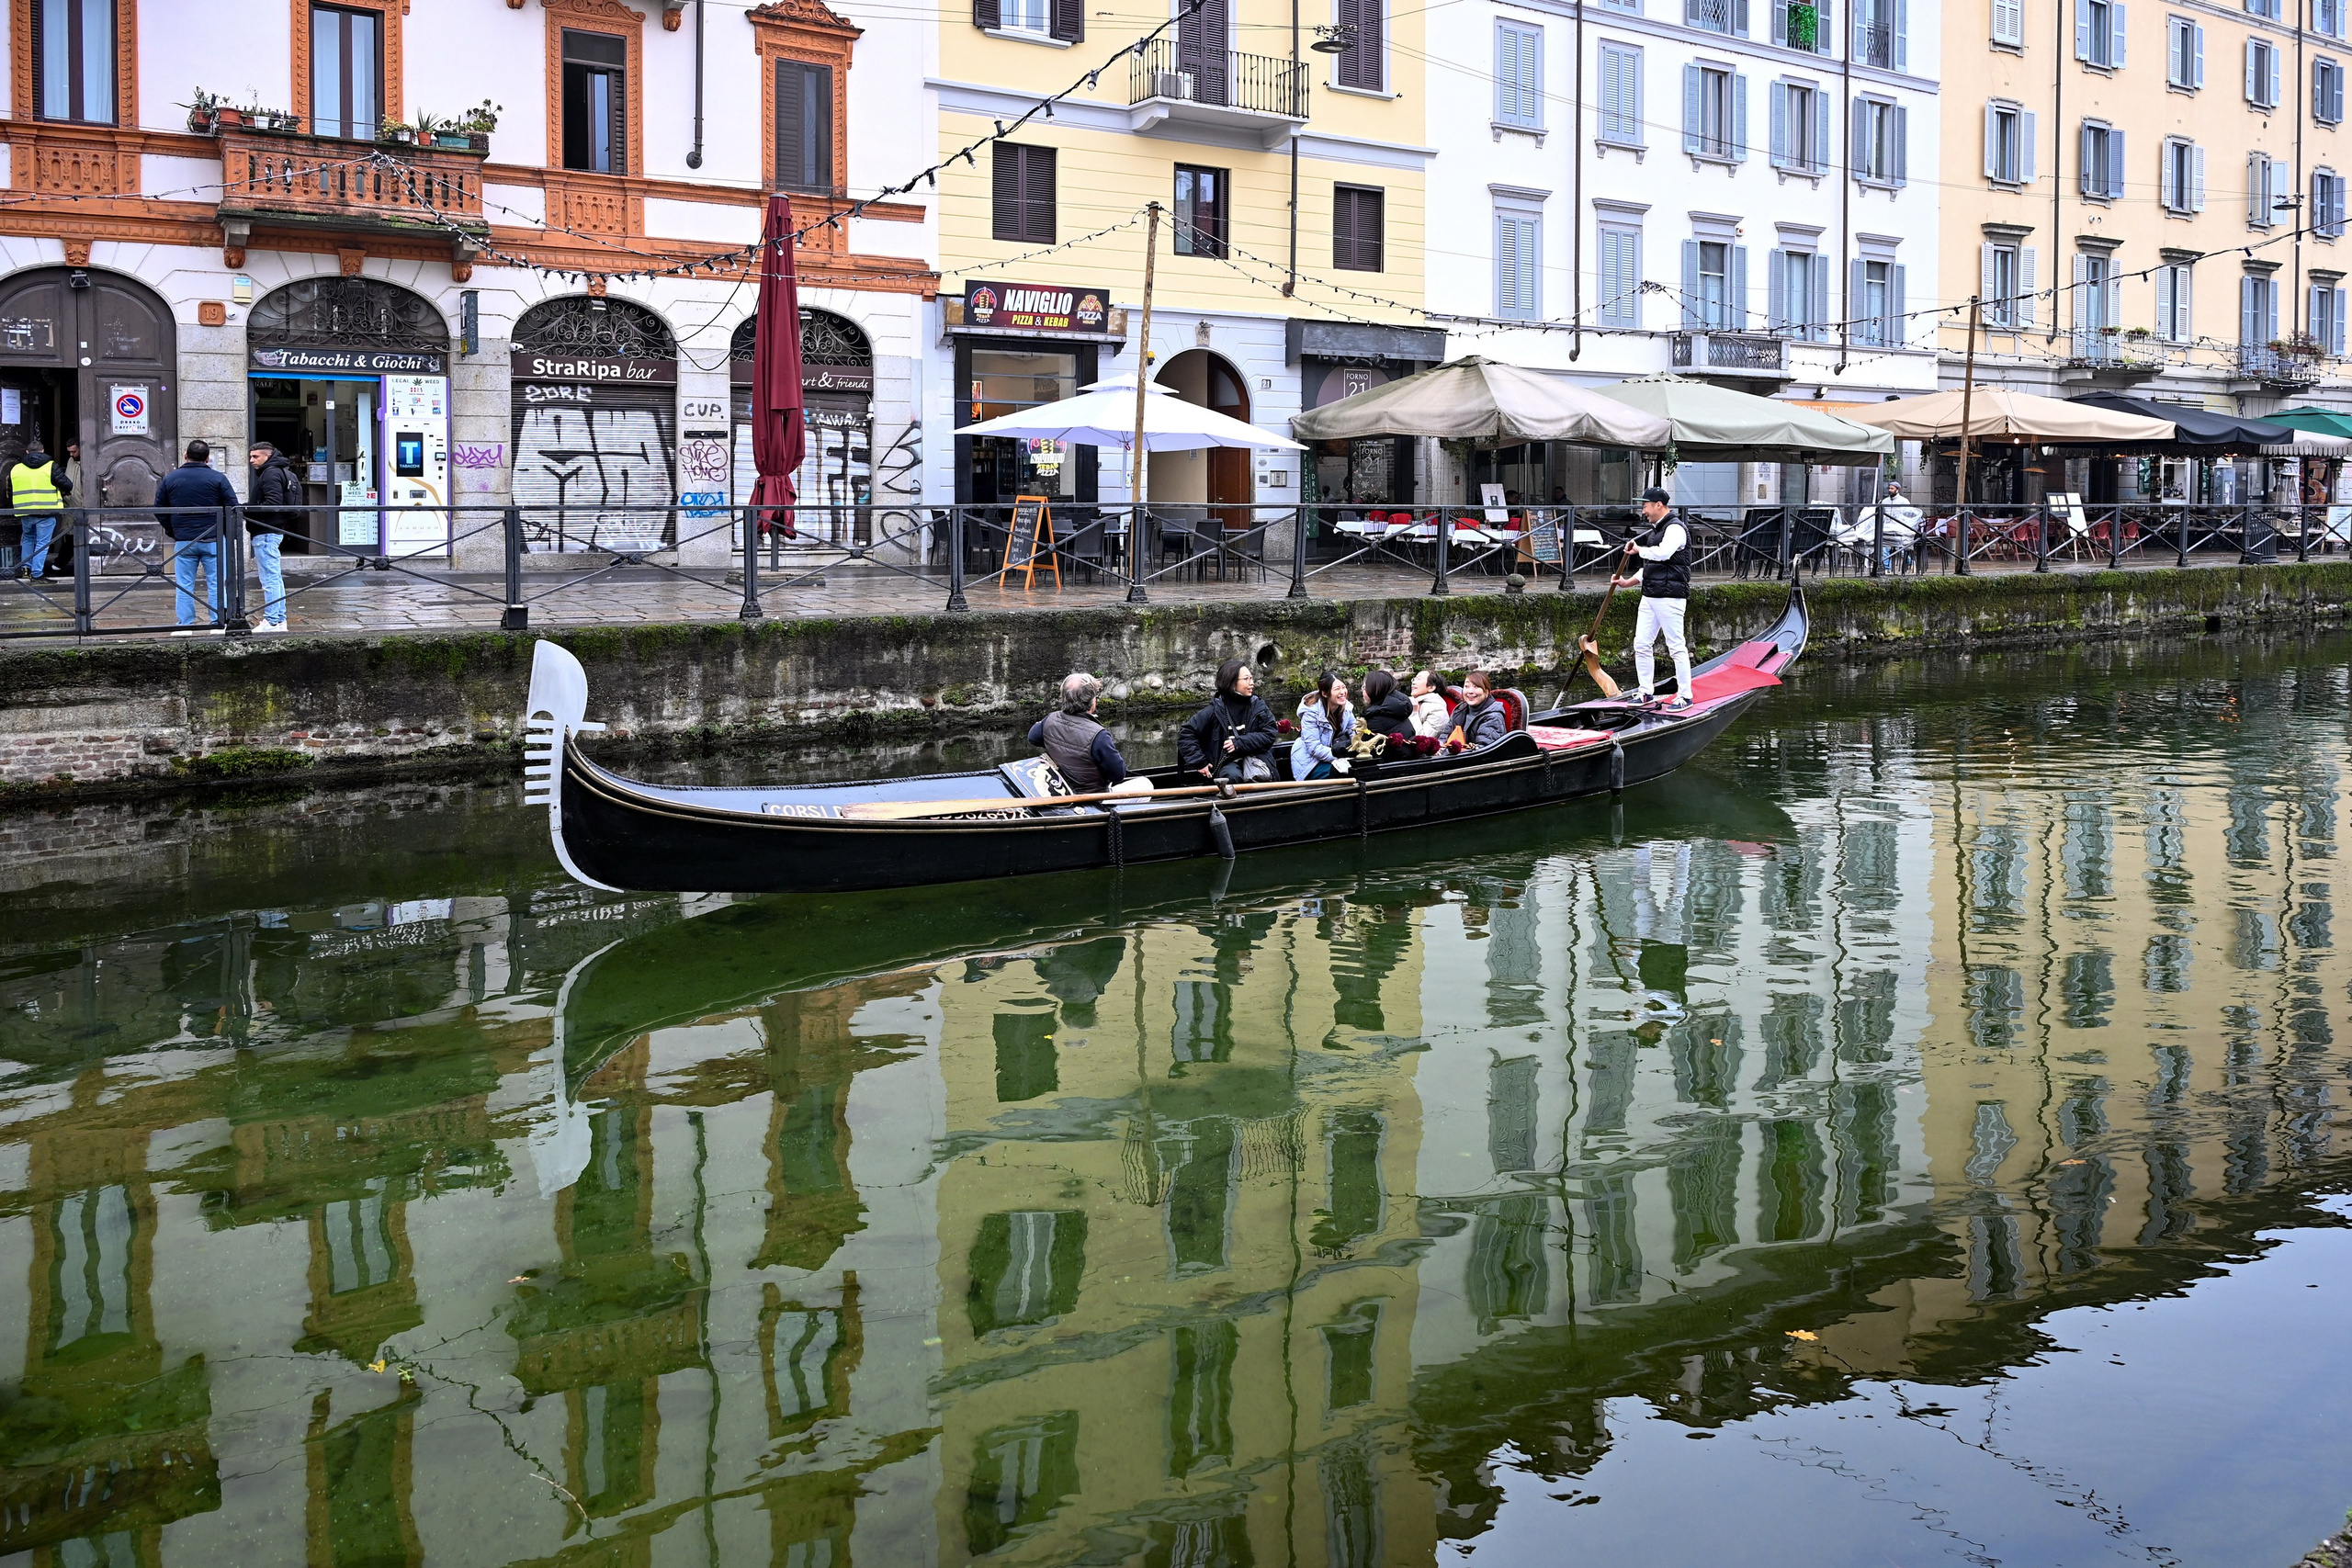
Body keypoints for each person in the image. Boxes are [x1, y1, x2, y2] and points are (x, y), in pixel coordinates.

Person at [1599, 486, 1692, 708]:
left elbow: (1663, 554)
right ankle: (1645, 691)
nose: (1643, 511)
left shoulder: (1675, 529)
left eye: (1646, 506)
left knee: (1676, 646)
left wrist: (1639, 549)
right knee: (1641, 644)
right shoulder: (1656, 530)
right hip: (1650, 595)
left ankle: (1686, 695)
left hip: (1670, 597)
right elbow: (1651, 565)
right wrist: (1628, 582)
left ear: (1658, 505)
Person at [154, 440, 240, 634]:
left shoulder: (171, 479)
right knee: (217, 582)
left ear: (186, 455)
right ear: (208, 458)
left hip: (184, 540)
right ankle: (218, 623)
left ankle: (185, 624)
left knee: (184, 583)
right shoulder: (218, 478)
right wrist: (224, 532)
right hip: (214, 539)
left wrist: (173, 531)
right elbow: (232, 507)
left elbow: (159, 509)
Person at [1027, 672, 1151, 795]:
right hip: (1093, 798)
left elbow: (1033, 738)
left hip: (1063, 789)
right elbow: (1118, 775)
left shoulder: (1050, 719)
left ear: (1064, 698)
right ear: (1092, 701)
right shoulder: (1099, 736)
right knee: (1146, 784)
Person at [1177, 658, 1281, 782]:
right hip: (1226, 762)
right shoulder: (1214, 710)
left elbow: (1269, 734)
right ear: (1231, 683)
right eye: (1246, 679)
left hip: (1257, 759)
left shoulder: (1259, 707)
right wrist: (1200, 762)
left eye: (1251, 678)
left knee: (1261, 776)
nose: (1252, 683)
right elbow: (1186, 733)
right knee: (1231, 777)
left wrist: (1240, 743)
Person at [246, 442, 301, 631]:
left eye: (256, 457)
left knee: (269, 578)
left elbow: (272, 503)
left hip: (266, 531)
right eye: (251, 456)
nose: (251, 460)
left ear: (267, 456)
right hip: (272, 530)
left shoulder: (270, 474)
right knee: (274, 577)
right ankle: (278, 620)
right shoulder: (279, 471)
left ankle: (271, 620)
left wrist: (246, 510)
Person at [8, 435, 69, 581]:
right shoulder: (51, 466)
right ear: (43, 451)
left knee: (28, 539)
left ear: (27, 452)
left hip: (25, 511)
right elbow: (67, 485)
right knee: (43, 543)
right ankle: (37, 574)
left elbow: (10, 489)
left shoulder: (16, 468)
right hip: (46, 511)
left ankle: (26, 569)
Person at [1291, 671, 1356, 781]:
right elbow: (1314, 749)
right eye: (1337, 689)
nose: (1342, 692)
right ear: (1325, 693)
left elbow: (1354, 731)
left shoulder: (1346, 708)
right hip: (1310, 763)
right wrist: (1341, 756)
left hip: (1335, 756)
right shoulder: (1311, 712)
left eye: (1343, 687)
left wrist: (1360, 748)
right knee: (1343, 773)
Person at [1451, 670, 1510, 749]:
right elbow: (1444, 737)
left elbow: (1483, 748)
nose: (1470, 691)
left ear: (1486, 692)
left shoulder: (1493, 717)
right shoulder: (1459, 710)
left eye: (1476, 687)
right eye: (1467, 686)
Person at [1359, 668, 1413, 744]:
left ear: (1375, 690)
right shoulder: (1398, 709)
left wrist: (1337, 745)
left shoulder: (1375, 719)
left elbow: (1360, 746)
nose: (1362, 691)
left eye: (1364, 687)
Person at [1408, 669, 1452, 738]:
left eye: (1419, 679)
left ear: (1431, 688)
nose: (1413, 683)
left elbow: (1423, 740)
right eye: (1414, 679)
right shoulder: (1410, 702)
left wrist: (1414, 713)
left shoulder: (1438, 710)